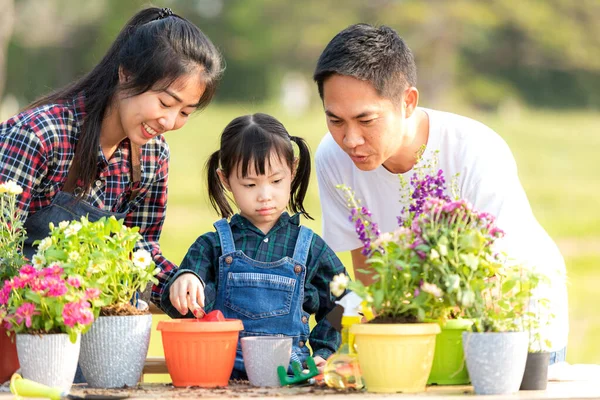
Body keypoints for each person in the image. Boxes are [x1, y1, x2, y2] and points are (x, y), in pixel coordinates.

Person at [312, 24, 568, 362]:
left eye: (366, 120)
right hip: (420, 321)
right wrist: (329, 340)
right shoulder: (333, 158)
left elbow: (493, 280)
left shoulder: (475, 149)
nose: (351, 140)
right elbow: (369, 280)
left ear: (408, 101)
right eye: (336, 120)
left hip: (514, 321)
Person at [0, 7, 223, 309]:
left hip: (91, 326)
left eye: (184, 112)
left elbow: (138, 251)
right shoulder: (41, 135)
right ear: (125, 73)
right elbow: (3, 249)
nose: (169, 122)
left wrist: (180, 283)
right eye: (165, 102)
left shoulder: (153, 157)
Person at [160, 113, 347, 378]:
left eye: (276, 181)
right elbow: (181, 307)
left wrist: (325, 351)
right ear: (225, 180)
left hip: (293, 380)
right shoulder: (211, 245)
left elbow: (346, 302)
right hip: (222, 378)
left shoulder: (310, 247)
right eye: (249, 184)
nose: (265, 195)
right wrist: (185, 280)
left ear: (292, 171)